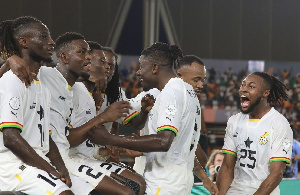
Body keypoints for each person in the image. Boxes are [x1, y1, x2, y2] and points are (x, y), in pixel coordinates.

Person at [6, 32, 142, 195]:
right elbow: (23, 65)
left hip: (67, 156)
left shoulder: (78, 89)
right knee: (126, 191)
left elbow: (64, 137)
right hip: (48, 159)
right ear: (63, 57)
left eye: (91, 55)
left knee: (135, 186)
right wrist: (10, 60)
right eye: (83, 52)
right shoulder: (46, 75)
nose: (89, 58)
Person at [88, 43, 218, 195]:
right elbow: (178, 147)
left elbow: (163, 141)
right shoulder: (189, 93)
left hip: (163, 182)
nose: (138, 72)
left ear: (155, 68)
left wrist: (111, 139)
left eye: (142, 66)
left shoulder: (171, 92)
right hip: (179, 179)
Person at [0, 16, 90, 195]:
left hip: (36, 162)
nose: (51, 42)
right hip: (13, 167)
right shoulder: (12, 80)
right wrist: (51, 171)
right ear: (23, 42)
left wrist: (60, 167)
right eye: (43, 37)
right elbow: (10, 137)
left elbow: (43, 135)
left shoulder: (40, 85)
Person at [216, 71, 293, 195]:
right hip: (234, 191)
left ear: (265, 93)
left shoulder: (279, 124)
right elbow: (227, 167)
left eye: (251, 87)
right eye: (243, 85)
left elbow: (276, 173)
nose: (243, 90)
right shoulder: (234, 121)